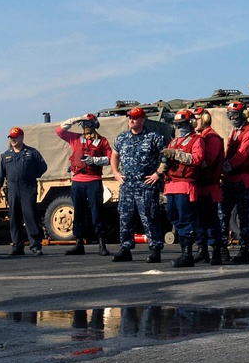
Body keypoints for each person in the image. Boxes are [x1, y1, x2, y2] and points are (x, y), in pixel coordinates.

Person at [110, 107, 167, 263]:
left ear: (143, 119)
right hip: (127, 186)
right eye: (130, 118)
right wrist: (115, 172)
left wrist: (158, 174)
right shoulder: (122, 138)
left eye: (135, 118)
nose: (131, 121)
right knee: (125, 217)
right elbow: (114, 155)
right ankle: (125, 248)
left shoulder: (154, 138)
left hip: (146, 185)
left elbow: (166, 157)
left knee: (150, 217)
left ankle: (155, 249)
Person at [56, 113, 112, 256]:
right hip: (77, 182)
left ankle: (101, 243)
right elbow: (60, 131)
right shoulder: (75, 139)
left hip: (93, 180)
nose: (87, 127)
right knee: (78, 213)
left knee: (97, 212)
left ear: (95, 125)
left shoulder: (102, 141)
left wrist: (94, 160)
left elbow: (110, 159)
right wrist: (75, 119)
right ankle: (79, 243)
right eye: (84, 124)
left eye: (89, 124)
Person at [160, 109, 204, 268]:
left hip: (185, 184)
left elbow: (196, 159)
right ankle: (184, 251)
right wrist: (162, 167)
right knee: (173, 217)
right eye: (178, 124)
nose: (180, 127)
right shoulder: (173, 141)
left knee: (186, 218)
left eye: (183, 124)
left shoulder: (196, 141)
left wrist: (175, 154)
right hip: (171, 185)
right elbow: (166, 159)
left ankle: (187, 254)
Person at [0, 127, 49, 256]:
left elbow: (42, 167)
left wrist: (29, 176)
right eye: (11, 138)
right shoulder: (6, 155)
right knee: (14, 218)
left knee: (30, 216)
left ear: (21, 137)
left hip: (27, 188)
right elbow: (0, 175)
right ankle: (17, 246)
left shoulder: (31, 152)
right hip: (12, 189)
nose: (13, 140)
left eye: (16, 137)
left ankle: (35, 245)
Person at [221, 101, 249, 263]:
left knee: (243, 215)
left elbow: (241, 155)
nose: (232, 118)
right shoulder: (235, 132)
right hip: (230, 178)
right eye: (229, 115)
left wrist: (225, 167)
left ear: (243, 114)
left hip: (241, 179)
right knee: (222, 214)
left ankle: (245, 249)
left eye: (235, 114)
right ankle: (222, 247)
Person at [192, 107, 226, 265]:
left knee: (211, 221)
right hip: (200, 186)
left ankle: (216, 251)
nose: (193, 121)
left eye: (197, 118)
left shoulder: (212, 138)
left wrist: (190, 167)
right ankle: (202, 250)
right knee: (199, 221)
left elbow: (207, 161)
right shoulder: (201, 138)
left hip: (209, 187)